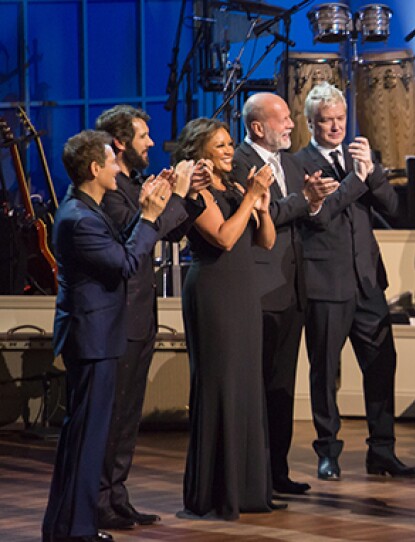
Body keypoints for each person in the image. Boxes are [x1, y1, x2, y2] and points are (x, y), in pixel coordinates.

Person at [43, 129, 171, 542]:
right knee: (86, 440)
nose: (119, 167)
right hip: (92, 340)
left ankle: (67, 526)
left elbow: (120, 245)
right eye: (112, 162)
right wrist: (149, 217)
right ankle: (76, 530)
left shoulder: (86, 209)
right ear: (96, 168)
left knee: (86, 438)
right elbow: (124, 263)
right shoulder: (78, 219)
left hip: (98, 338)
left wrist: (144, 212)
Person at [293, 82, 415, 481]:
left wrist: (374, 173)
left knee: (382, 366)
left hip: (367, 283)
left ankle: (382, 451)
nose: (335, 127)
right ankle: (327, 451)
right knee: (324, 371)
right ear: (310, 123)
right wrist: (357, 180)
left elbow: (396, 209)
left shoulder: (360, 159)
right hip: (325, 284)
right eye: (326, 121)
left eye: (340, 119)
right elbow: (320, 214)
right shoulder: (298, 164)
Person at [94, 104, 207, 530]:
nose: (151, 144)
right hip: (118, 317)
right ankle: (99, 500)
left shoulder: (137, 182)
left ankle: (116, 496)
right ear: (120, 142)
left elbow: (173, 232)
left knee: (128, 418)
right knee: (113, 416)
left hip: (141, 315)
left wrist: (190, 195)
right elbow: (139, 233)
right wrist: (172, 196)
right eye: (142, 137)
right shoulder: (109, 189)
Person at [231, 92, 339, 497]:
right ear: (258, 127)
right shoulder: (241, 163)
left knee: (282, 389)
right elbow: (266, 216)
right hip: (259, 292)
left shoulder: (293, 163)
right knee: (257, 388)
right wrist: (303, 201)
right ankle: (254, 476)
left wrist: (313, 202)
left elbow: (302, 214)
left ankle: (277, 471)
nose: (292, 125)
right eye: (283, 120)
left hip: (292, 291)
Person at [173, 118, 279, 519]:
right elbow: (223, 237)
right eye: (219, 145)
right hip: (213, 293)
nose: (229, 150)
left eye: (229, 143)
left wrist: (262, 207)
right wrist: (252, 197)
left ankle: (249, 488)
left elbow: (264, 242)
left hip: (243, 292)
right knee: (221, 385)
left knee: (246, 385)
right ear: (200, 153)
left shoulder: (235, 188)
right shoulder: (198, 194)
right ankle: (216, 492)